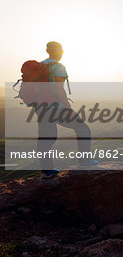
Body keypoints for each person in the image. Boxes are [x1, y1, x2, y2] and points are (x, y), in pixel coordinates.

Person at [36, 41, 94, 177]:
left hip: (40, 107)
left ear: (47, 51)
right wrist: (67, 106)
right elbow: (59, 88)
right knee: (83, 128)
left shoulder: (39, 66)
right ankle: (84, 161)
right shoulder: (58, 67)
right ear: (60, 52)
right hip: (57, 107)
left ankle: (47, 171)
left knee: (46, 138)